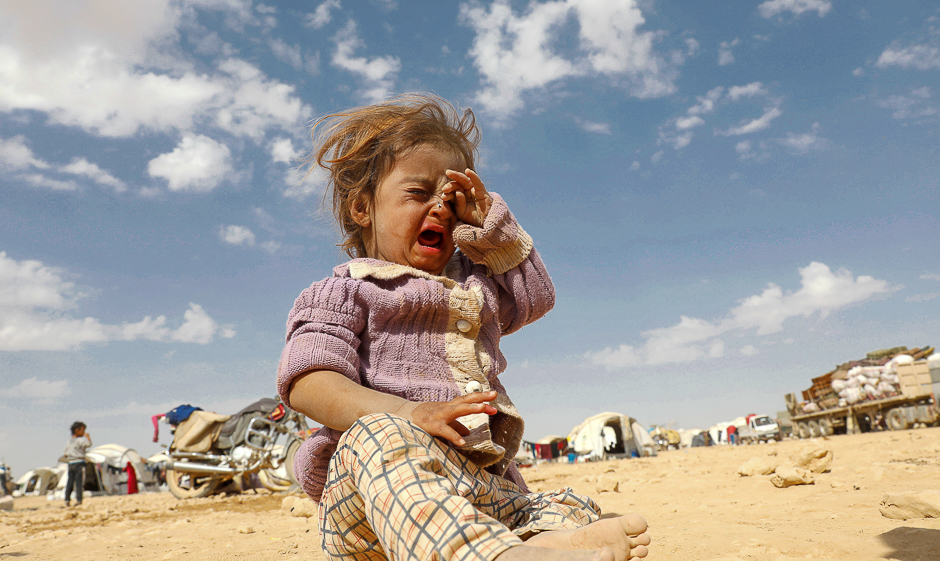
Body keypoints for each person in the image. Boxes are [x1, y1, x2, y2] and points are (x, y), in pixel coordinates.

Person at [277, 94, 651, 561]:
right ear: (362, 208)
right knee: (379, 434)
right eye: (417, 193)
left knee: (561, 502)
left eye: (451, 199)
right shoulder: (341, 292)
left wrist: (492, 232)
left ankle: (543, 542)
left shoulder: (475, 286)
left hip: (481, 491)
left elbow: (535, 298)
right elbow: (309, 383)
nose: (439, 208)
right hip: (375, 498)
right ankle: (501, 556)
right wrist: (409, 413)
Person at [63, 421, 91, 507]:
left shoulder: (69, 442)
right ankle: (79, 499)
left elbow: (65, 454)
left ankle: (67, 499)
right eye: (83, 430)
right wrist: (88, 437)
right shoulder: (80, 440)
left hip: (71, 463)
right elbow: (89, 444)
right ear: (77, 430)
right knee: (79, 482)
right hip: (79, 462)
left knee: (70, 482)